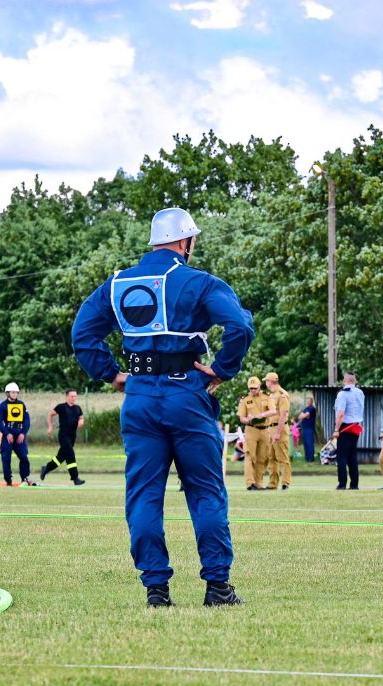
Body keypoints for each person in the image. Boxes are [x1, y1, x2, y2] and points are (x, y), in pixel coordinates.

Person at [71, 206, 254, 608]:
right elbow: (239, 325)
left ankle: (156, 589)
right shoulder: (199, 282)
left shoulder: (117, 283)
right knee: (205, 491)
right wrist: (222, 369)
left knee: (143, 496)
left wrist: (111, 374)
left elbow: (82, 333)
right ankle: (217, 587)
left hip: (139, 397)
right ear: (186, 242)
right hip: (187, 393)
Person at [41, 389, 86, 485]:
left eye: (75, 396)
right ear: (67, 396)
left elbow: (81, 417)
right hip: (63, 435)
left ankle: (46, 468)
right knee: (70, 455)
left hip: (72, 436)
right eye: (72, 396)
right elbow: (50, 414)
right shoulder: (61, 407)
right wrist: (50, 427)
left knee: (61, 457)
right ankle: (75, 478)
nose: (74, 398)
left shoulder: (77, 408)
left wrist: (81, 421)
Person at [0, 382, 35, 486]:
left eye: (16, 392)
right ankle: (8, 480)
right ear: (7, 393)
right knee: (6, 458)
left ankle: (25, 479)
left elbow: (27, 420)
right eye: (13, 392)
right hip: (8, 435)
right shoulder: (2, 406)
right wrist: (7, 433)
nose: (15, 394)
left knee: (24, 457)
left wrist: (23, 433)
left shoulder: (21, 405)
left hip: (20, 435)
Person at [238, 377, 275, 491]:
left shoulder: (267, 396)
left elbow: (273, 411)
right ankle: (250, 483)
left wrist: (261, 415)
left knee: (262, 457)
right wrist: (249, 420)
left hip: (265, 430)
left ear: (259, 386)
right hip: (251, 430)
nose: (253, 390)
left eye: (255, 388)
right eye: (251, 388)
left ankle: (259, 483)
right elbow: (242, 418)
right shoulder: (245, 399)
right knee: (249, 456)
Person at [332, 372, 365, 490]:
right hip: (356, 426)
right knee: (352, 456)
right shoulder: (360, 393)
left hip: (345, 427)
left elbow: (340, 414)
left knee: (341, 456)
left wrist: (336, 429)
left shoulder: (342, 394)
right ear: (355, 381)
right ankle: (354, 484)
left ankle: (342, 484)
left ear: (344, 381)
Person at [263, 372, 292, 490]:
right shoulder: (270, 395)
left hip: (280, 428)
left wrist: (278, 433)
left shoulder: (282, 395)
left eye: (266, 381)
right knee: (271, 457)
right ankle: (273, 482)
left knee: (282, 457)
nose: (266, 383)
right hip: (270, 428)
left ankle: (285, 482)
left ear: (270, 382)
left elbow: (283, 416)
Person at [296, 397, 318, 462]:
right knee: (305, 443)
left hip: (309, 428)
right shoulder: (306, 408)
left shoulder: (312, 408)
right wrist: (304, 415)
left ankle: (311, 458)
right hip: (304, 428)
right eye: (307, 401)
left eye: (309, 401)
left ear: (311, 402)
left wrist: (304, 415)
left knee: (309, 443)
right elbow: (300, 417)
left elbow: (305, 416)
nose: (308, 402)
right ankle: (307, 457)